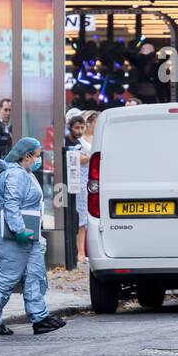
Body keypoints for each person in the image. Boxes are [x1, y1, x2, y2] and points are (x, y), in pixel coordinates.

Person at [0, 137, 65, 336]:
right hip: (10, 234)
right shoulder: (15, 176)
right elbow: (11, 205)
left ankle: (40, 317)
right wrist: (19, 230)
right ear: (27, 155)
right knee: (7, 276)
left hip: (27, 234)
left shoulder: (25, 173)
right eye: (36, 156)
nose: (38, 160)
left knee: (34, 275)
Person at [75, 111, 98, 262]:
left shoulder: (98, 137)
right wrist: (92, 157)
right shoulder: (80, 140)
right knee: (82, 217)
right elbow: (76, 158)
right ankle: (80, 252)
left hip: (95, 180)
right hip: (83, 179)